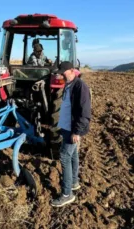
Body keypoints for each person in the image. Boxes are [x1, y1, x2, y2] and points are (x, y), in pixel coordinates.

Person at [51, 61, 91, 207]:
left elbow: (84, 112)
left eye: (64, 72)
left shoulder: (80, 86)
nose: (62, 74)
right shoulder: (69, 84)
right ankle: (74, 182)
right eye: (61, 72)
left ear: (72, 70)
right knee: (73, 154)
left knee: (64, 156)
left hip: (72, 129)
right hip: (66, 127)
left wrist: (77, 131)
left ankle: (67, 194)